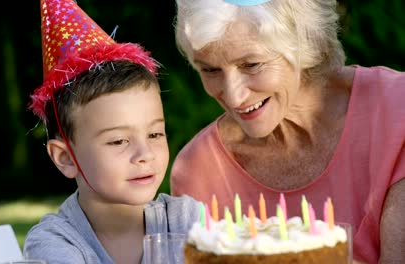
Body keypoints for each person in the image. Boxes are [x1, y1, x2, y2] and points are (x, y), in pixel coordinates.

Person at [170, 0, 405, 263]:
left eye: (252, 64)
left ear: (302, 44)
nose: (234, 97)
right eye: (210, 70)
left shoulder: (397, 113)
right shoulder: (199, 170)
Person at [23, 1, 200, 263]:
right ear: (66, 158)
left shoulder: (186, 221)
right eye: (118, 140)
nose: (144, 154)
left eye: (154, 134)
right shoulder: (54, 244)